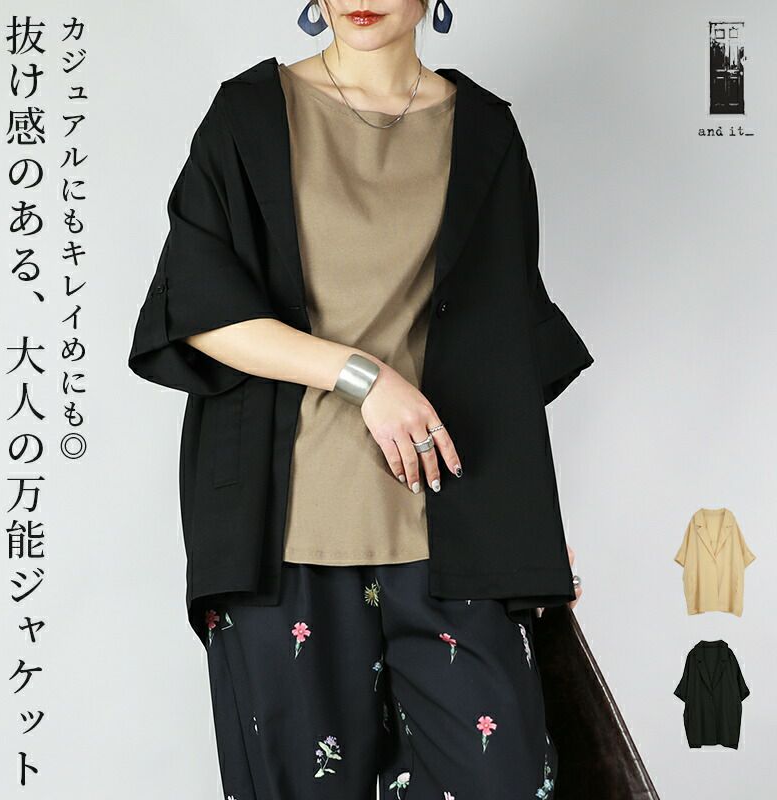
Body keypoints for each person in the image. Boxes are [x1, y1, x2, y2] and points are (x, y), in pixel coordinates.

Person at [128, 2, 593, 798]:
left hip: (453, 527)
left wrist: (527, 526)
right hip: (285, 536)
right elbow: (198, 308)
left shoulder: (485, 131)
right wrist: (364, 378)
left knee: (503, 779)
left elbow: (504, 343)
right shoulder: (248, 115)